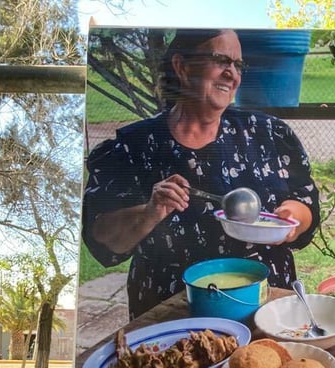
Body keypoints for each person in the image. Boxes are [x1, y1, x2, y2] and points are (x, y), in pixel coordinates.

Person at [82, 29, 320, 319]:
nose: (231, 73)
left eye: (238, 65)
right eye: (221, 60)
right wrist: (149, 212)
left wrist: (290, 219)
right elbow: (103, 238)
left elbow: (305, 203)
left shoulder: (268, 133)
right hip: (170, 309)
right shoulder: (133, 146)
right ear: (182, 66)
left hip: (265, 305)